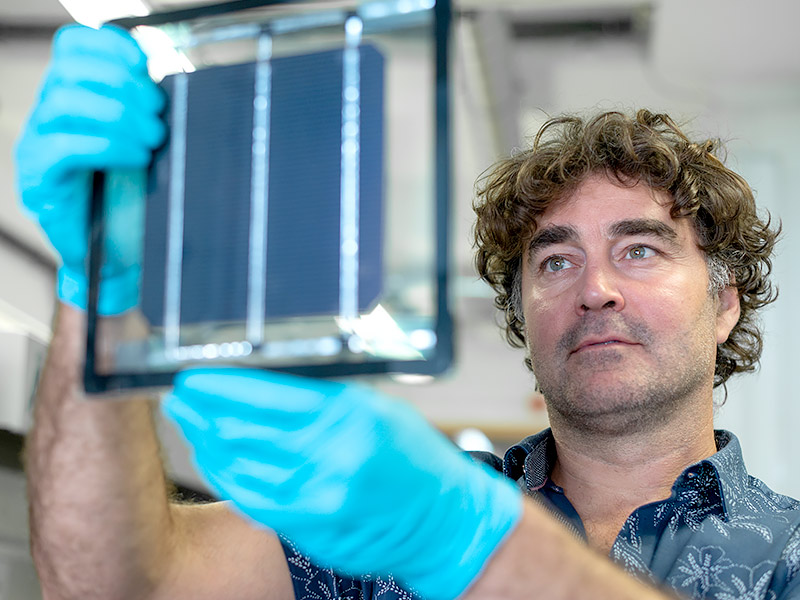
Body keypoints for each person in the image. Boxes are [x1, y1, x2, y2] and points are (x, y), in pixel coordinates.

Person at [15, 23, 800, 600]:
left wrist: (471, 545)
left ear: (725, 303)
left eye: (640, 250)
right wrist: (101, 290)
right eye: (555, 260)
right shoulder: (380, 514)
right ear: (524, 318)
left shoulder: (787, 552)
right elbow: (113, 584)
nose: (595, 288)